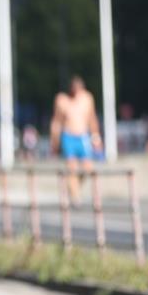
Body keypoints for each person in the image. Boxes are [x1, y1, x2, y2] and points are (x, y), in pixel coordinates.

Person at [50, 76, 102, 205]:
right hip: (68, 137)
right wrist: (55, 141)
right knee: (71, 166)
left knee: (87, 168)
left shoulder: (87, 99)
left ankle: (74, 187)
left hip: (83, 136)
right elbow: (57, 122)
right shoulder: (62, 100)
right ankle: (75, 196)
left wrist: (96, 137)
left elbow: (92, 118)